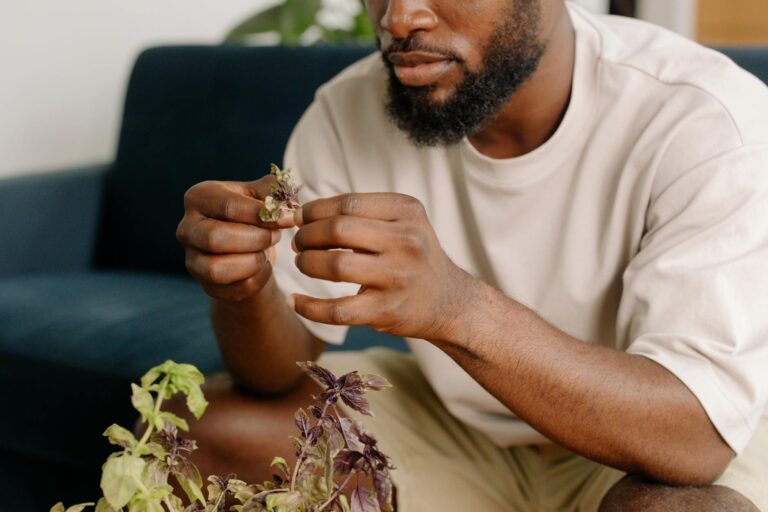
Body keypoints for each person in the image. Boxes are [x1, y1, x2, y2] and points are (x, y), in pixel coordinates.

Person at [175, 0, 768, 510]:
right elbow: (273, 372)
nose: (399, 17)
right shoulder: (348, 109)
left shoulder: (704, 118)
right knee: (212, 435)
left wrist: (455, 307)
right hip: (459, 429)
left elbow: (693, 440)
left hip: (643, 442)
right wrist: (246, 289)